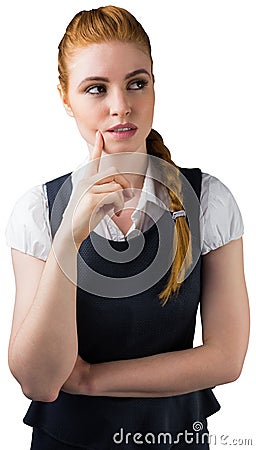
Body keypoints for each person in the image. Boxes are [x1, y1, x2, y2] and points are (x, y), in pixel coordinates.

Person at [6, 5, 249, 450]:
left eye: (137, 83)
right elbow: (40, 382)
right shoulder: (37, 211)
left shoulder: (208, 200)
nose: (121, 106)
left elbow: (226, 359)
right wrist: (69, 237)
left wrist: (90, 379)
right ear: (66, 98)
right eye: (96, 88)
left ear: (155, 86)